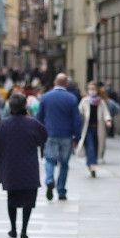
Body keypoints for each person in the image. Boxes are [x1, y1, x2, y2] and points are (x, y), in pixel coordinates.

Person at [0, 92, 48, 238]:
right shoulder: (33, 123)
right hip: (29, 168)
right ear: (25, 106)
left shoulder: (3, 124)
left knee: (12, 199)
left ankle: (13, 229)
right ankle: (24, 231)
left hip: (10, 168)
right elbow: (43, 137)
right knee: (28, 201)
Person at [38, 73, 82, 201]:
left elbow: (39, 118)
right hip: (67, 136)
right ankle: (61, 190)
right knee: (64, 163)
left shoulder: (45, 97)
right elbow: (76, 120)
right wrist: (77, 137)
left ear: (54, 83)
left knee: (50, 160)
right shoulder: (72, 98)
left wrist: (39, 134)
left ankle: (49, 179)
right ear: (66, 84)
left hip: (50, 134)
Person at [77, 81, 111, 178]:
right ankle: (92, 165)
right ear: (88, 90)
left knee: (96, 147)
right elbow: (78, 112)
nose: (92, 91)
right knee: (90, 146)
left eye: (94, 89)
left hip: (98, 128)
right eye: (90, 89)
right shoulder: (84, 101)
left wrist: (108, 120)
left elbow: (106, 113)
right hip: (87, 129)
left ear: (97, 90)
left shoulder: (101, 102)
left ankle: (90, 163)